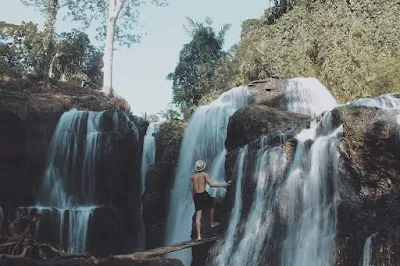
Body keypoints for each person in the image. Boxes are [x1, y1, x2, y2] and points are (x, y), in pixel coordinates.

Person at [191, 160, 231, 241]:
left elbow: (192, 189)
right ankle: (212, 223)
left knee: (198, 215)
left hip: (196, 196)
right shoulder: (205, 175)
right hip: (204, 194)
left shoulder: (193, 177)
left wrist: (194, 198)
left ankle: (199, 236)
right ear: (203, 167)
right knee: (211, 205)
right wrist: (224, 185)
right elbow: (212, 185)